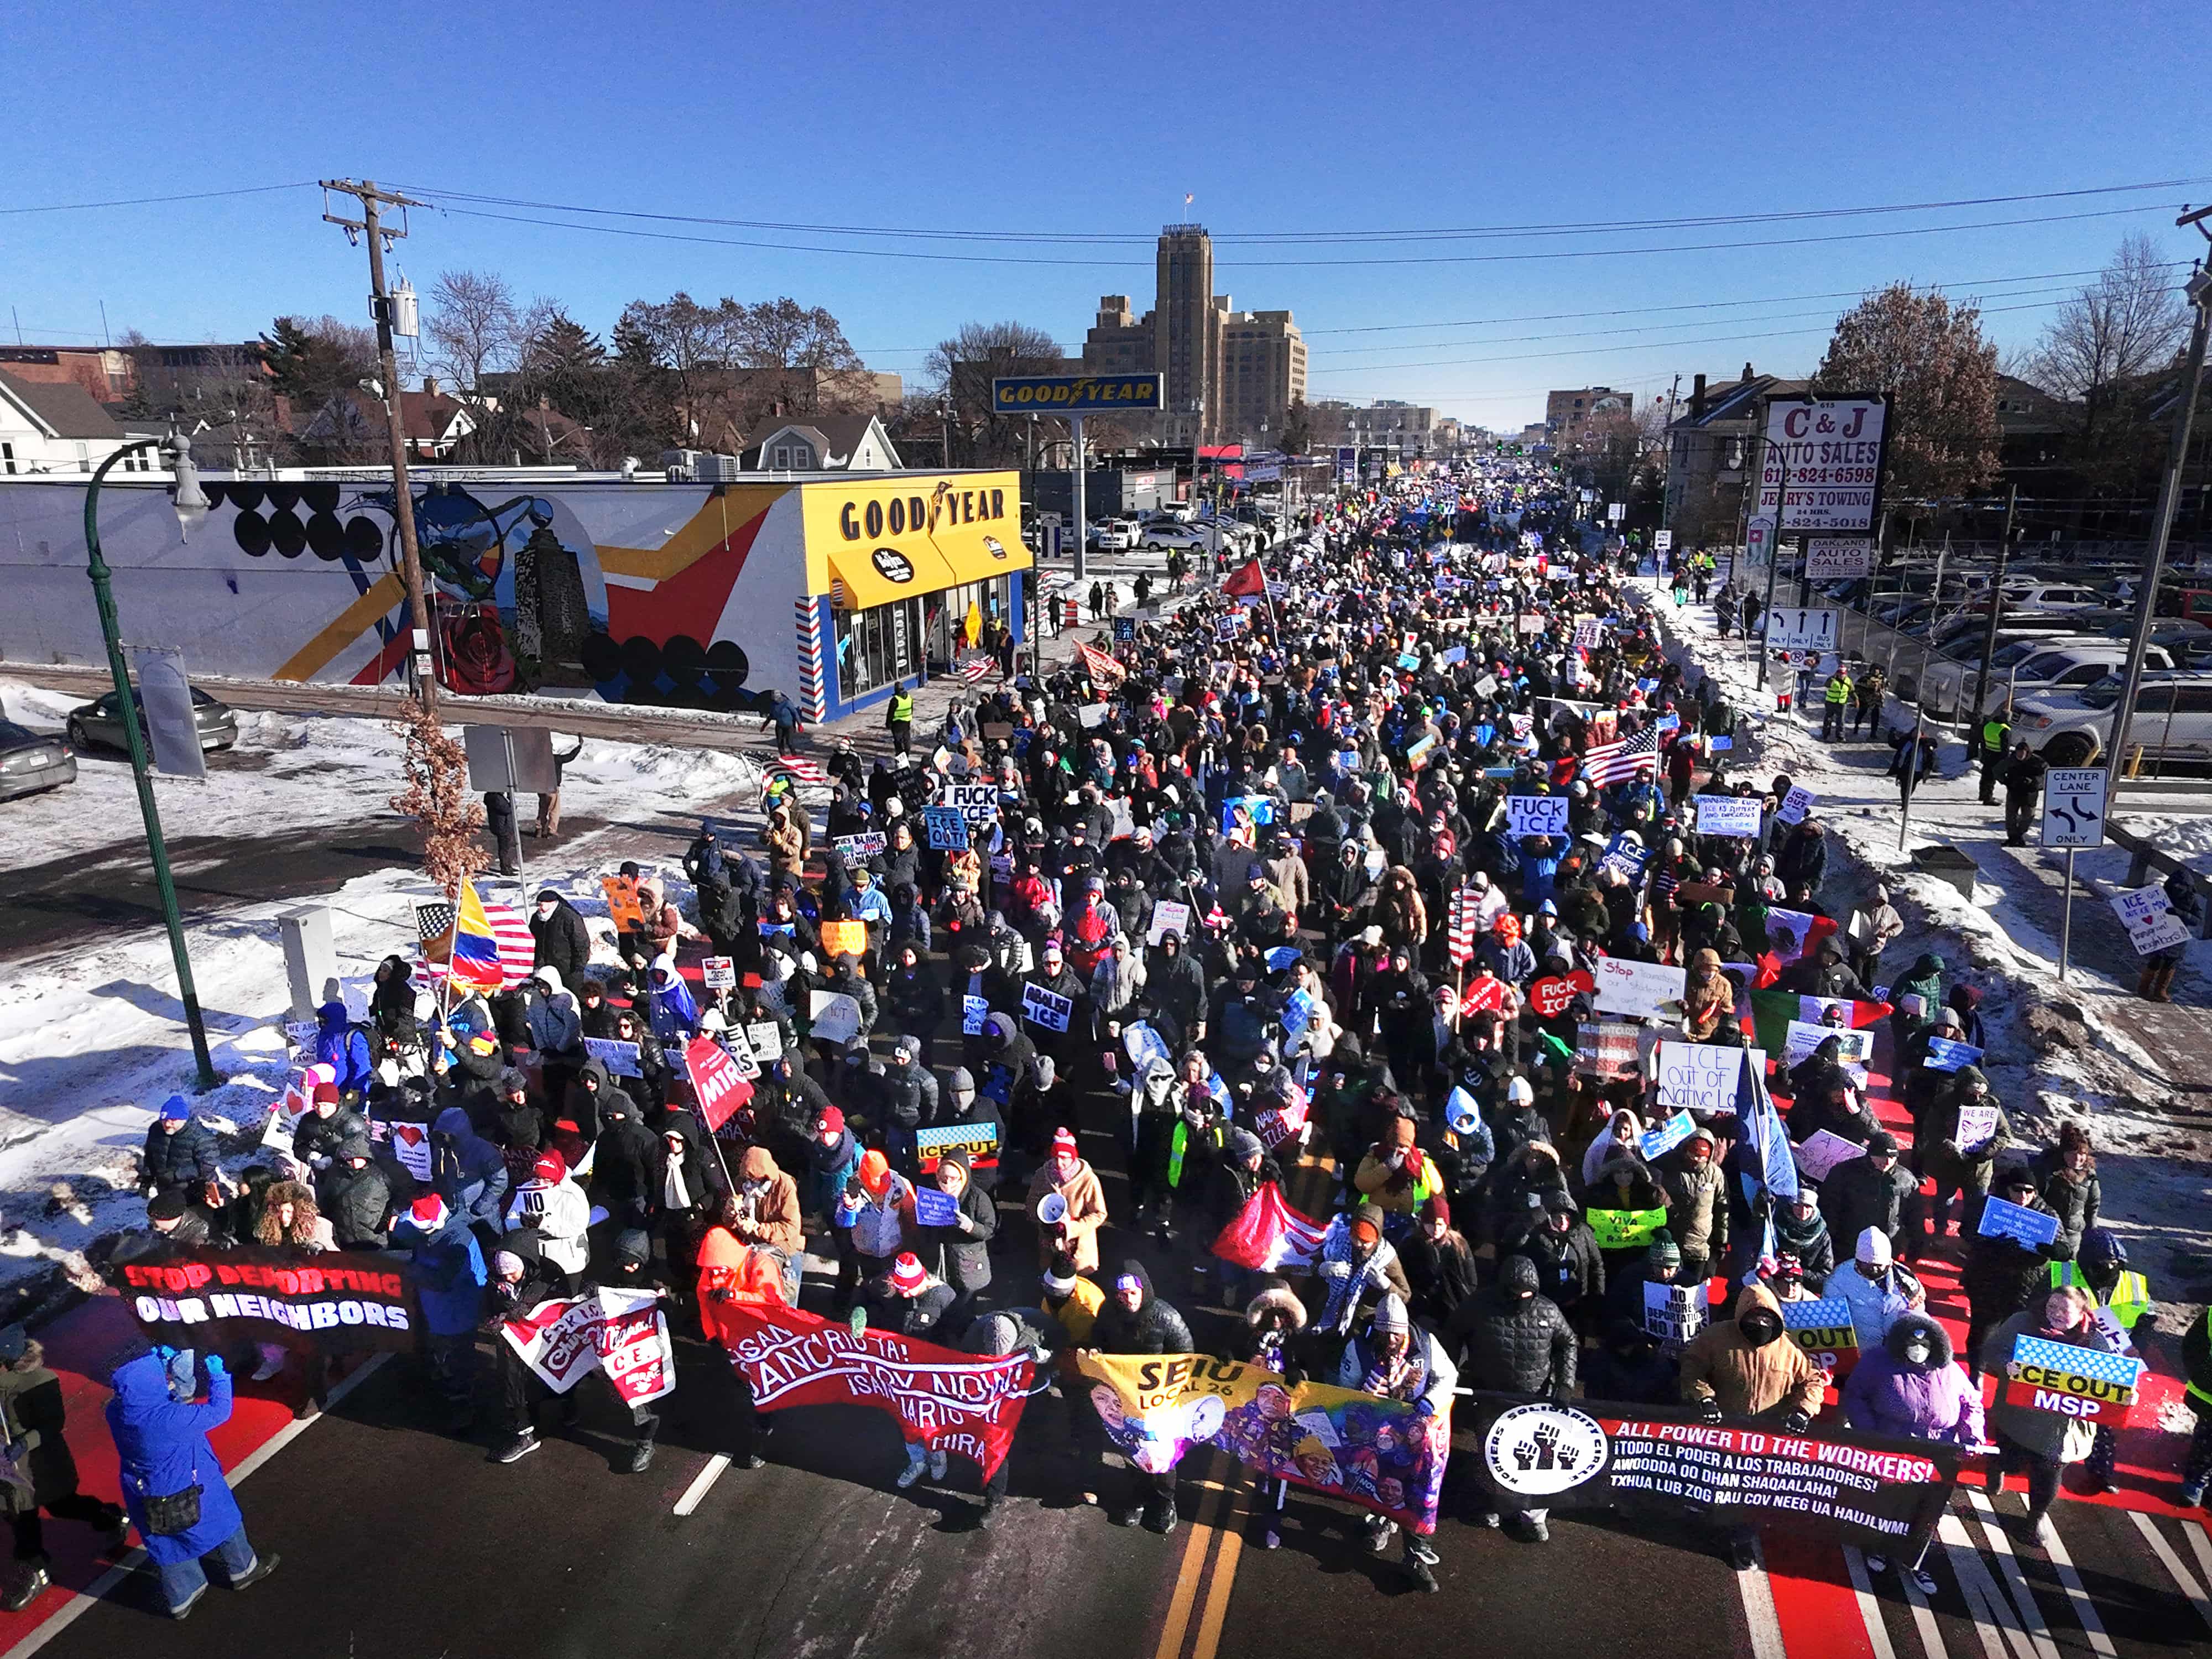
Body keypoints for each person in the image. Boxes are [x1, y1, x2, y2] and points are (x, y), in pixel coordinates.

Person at [106, 1347, 280, 1620]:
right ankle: (243, 1569)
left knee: (167, 1545)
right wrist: (220, 1376)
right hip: (191, 1484)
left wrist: (160, 1367)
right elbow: (220, 1412)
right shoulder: (168, 1420)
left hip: (145, 1493)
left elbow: (153, 1401)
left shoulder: (117, 1413)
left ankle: (182, 1597)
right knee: (224, 1522)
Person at [1678, 1282, 1825, 1569]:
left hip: (1764, 1440)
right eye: (1754, 1318)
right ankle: (1709, 1520)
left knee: (1752, 1495)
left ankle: (1742, 1540)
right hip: (1722, 1432)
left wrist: (1804, 1410)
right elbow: (1692, 1367)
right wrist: (1704, 1397)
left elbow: (1812, 1381)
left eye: (1767, 1319)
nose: (1761, 1324)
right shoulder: (1715, 1338)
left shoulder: (1791, 1349)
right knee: (1716, 1484)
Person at [1841, 1312, 1985, 1594]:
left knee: (1927, 1510)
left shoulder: (1951, 1370)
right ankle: (1879, 1546)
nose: (1918, 1350)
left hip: (1937, 1455)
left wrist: (1973, 1436)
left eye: (1925, 1345)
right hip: (1894, 1451)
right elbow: (1855, 1396)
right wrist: (1871, 1434)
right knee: (1886, 1502)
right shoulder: (1876, 1363)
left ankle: (1915, 1557)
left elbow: (1972, 1405)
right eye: (1911, 1343)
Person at [1328, 1293, 1455, 1592]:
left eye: (1397, 1333)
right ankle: (1381, 1522)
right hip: (1377, 1432)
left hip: (1417, 1435)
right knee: (1381, 1483)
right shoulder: (1359, 1346)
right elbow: (1346, 1389)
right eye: (1387, 1334)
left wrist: (1429, 1400)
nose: (1393, 1340)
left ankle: (1415, 1558)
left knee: (1418, 1494)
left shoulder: (1425, 1343)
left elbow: (1448, 1376)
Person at [1447, 1257, 1575, 1542]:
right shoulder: (1479, 1307)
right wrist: (1452, 1372)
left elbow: (1568, 1343)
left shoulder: (1549, 1311)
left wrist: (1565, 1385)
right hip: (1490, 1394)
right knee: (1492, 1455)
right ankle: (1493, 1505)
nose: (1520, 1298)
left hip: (1535, 1398)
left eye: (1526, 1293)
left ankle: (1533, 1516)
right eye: (1514, 1292)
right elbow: (1453, 1333)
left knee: (1539, 1458)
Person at [0, 1325, 127, 1611]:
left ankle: (110, 1516)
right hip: (10, 1472)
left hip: (42, 1464)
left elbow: (51, 1425)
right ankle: (37, 1571)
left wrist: (24, 1442)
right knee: (21, 1519)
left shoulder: (42, 1381)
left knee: (63, 1506)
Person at [1981, 1286, 2121, 1541]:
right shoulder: (2023, 1322)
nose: (2054, 1314)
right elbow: (1993, 1350)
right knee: (2010, 1459)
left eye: (2063, 1310)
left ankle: (2035, 1517)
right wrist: (2007, 1366)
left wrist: (2124, 1394)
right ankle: (1997, 1467)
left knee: (2047, 1475)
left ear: (2081, 1314)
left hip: (2062, 1430)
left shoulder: (2096, 1341)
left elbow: (2112, 1384)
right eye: (2051, 1307)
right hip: (2017, 1418)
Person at [1084, 1259, 1193, 1535]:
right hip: (1124, 1400)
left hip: (1158, 1403)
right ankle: (1139, 1497)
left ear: (1144, 1291)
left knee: (1159, 1456)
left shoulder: (1167, 1317)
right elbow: (1097, 1339)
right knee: (1131, 1451)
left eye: (1133, 1293)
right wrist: (1095, 1351)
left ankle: (1164, 1503)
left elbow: (1187, 1357)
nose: (1127, 1299)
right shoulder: (1108, 1312)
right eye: (1122, 1295)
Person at [1831, 1228, 1927, 1349]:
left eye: (1878, 1265)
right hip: (1857, 1354)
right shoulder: (1840, 1278)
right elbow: (1831, 1320)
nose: (1874, 1270)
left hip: (1895, 1355)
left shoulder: (1907, 1283)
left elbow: (1919, 1321)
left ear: (1889, 1263)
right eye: (1868, 1266)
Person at [2001, 739, 2045, 847]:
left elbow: (2046, 776)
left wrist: (2034, 782)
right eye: (2018, 753)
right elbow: (1997, 770)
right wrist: (2007, 782)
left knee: (2028, 816)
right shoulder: (2010, 760)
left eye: (2022, 753)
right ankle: (2012, 837)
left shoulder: (2038, 762)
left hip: (2029, 794)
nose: (2020, 756)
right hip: (2014, 792)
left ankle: (2019, 835)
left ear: (2027, 753)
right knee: (2011, 816)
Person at [886, 681, 916, 758]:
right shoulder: (909, 698)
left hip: (897, 725)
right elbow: (911, 710)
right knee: (907, 741)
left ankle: (901, 757)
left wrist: (888, 724)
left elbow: (890, 713)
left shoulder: (895, 700)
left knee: (898, 742)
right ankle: (907, 755)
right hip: (907, 724)